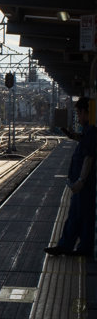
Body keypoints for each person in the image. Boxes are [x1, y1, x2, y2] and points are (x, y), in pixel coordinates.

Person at [47, 97, 97, 257]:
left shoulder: (93, 131)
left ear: (84, 112)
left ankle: (78, 247)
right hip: (81, 183)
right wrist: (76, 137)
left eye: (78, 113)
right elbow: (86, 146)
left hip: (85, 184)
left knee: (82, 216)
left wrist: (81, 180)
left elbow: (89, 157)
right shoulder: (88, 130)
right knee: (77, 215)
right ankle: (69, 246)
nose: (78, 116)